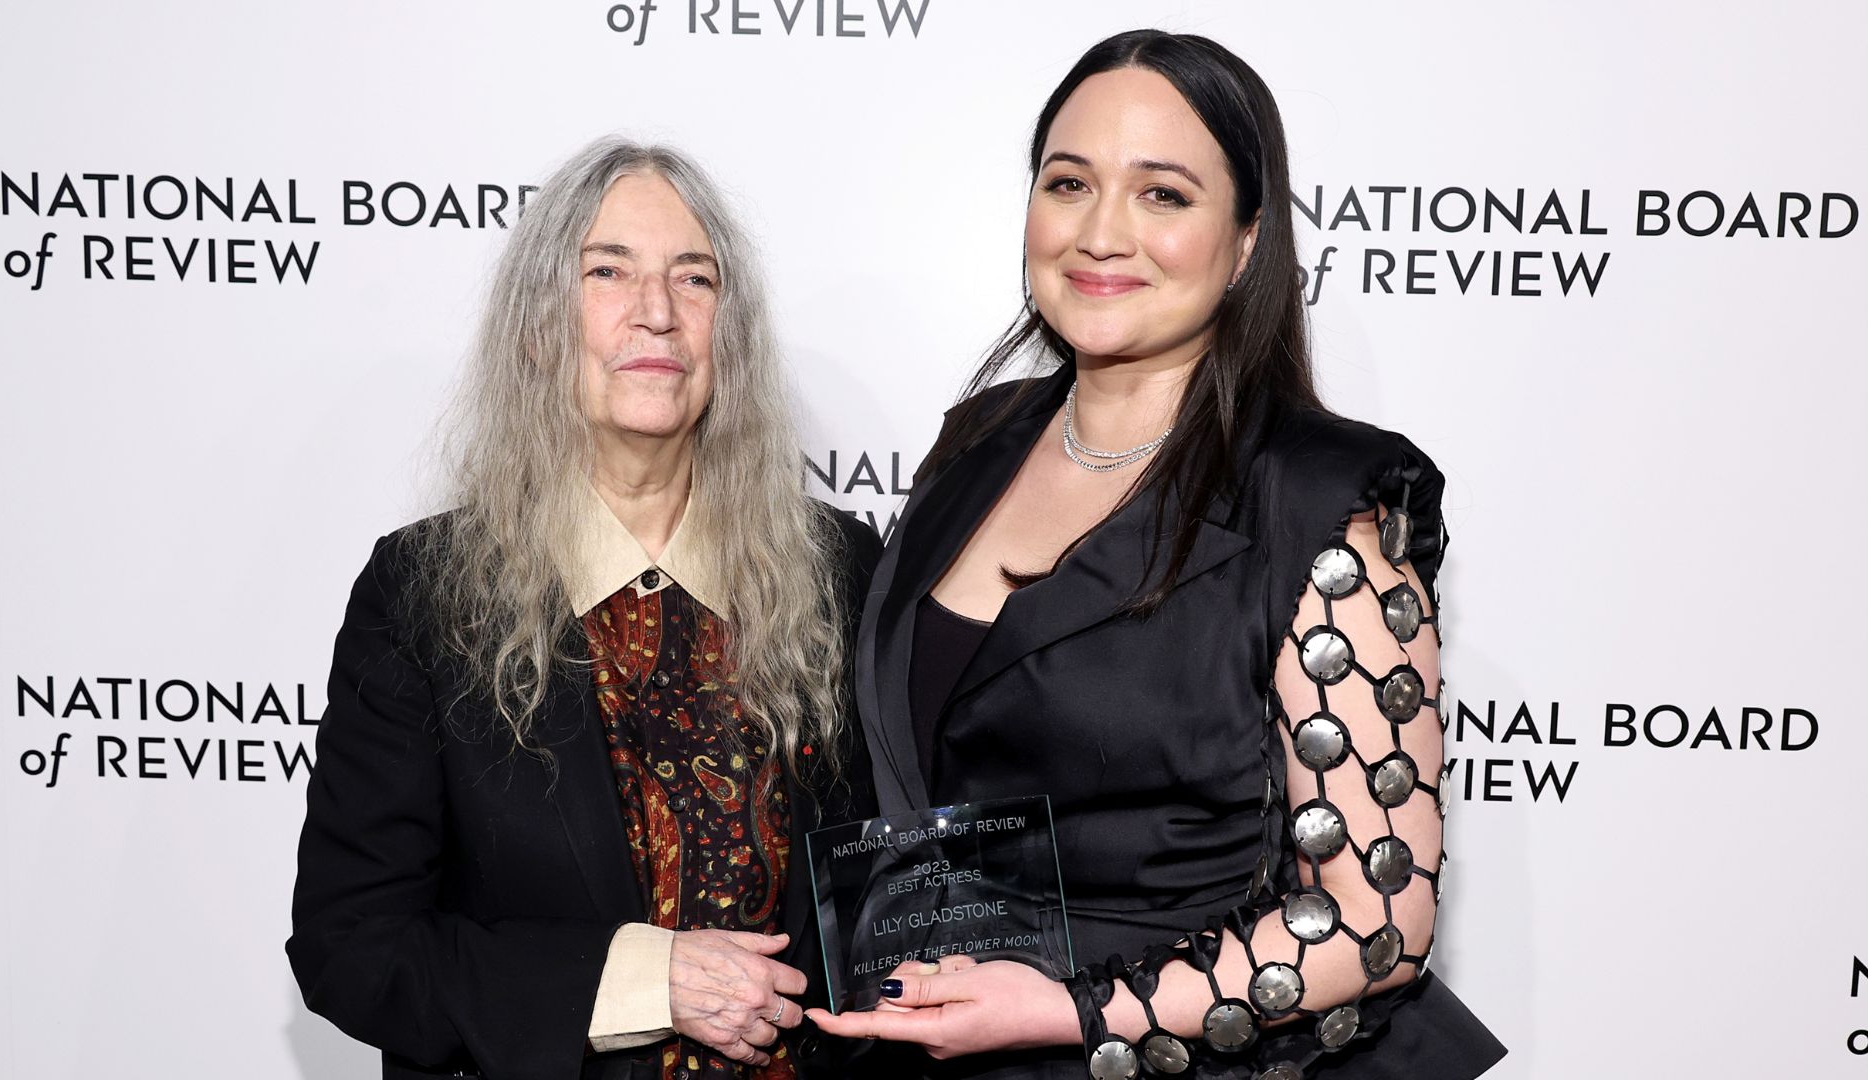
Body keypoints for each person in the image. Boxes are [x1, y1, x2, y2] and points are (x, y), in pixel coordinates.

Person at [809, 30, 1506, 1080]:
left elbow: (1376, 923)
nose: (1101, 232)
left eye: (1164, 195)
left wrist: (1069, 1010)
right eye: (1069, 181)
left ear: (1244, 242)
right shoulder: (974, 445)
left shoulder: (1321, 501)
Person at [286, 138, 882, 1080]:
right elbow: (353, 947)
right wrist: (649, 981)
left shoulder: (841, 568)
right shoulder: (423, 594)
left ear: (730, 335)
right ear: (536, 327)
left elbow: (891, 893)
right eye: (608, 272)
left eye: (695, 279)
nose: (657, 313)